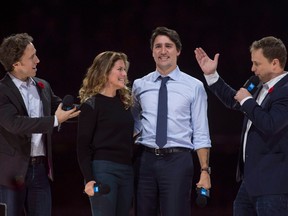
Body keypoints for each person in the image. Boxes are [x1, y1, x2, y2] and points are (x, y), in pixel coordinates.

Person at [194, 36, 288, 215]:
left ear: (274, 63)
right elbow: (235, 100)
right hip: (251, 182)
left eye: (257, 63)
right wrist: (212, 75)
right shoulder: (258, 84)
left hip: (274, 185)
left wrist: (248, 101)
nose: (252, 69)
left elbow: (270, 124)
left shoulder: (285, 90)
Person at [131, 26, 212, 216]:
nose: (163, 51)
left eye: (168, 46)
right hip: (145, 160)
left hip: (178, 161)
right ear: (152, 52)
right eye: (158, 46)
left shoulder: (194, 86)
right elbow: (133, 122)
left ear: (178, 50)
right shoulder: (139, 85)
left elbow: (201, 132)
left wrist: (205, 170)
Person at [0, 33, 80, 216]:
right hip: (11, 175)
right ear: (16, 64)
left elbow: (63, 110)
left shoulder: (42, 85)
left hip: (41, 171)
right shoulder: (2, 91)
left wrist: (93, 109)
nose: (38, 59)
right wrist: (54, 120)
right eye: (31, 57)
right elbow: (15, 124)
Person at [77, 51, 134, 216]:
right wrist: (89, 179)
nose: (124, 74)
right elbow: (82, 146)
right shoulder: (91, 105)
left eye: (125, 70)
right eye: (120, 69)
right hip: (103, 170)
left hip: (127, 170)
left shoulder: (125, 103)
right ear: (105, 71)